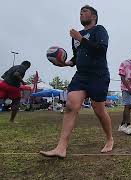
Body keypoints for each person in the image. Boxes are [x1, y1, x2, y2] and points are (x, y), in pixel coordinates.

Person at [40, 5, 113, 158]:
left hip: (99, 75)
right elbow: (76, 56)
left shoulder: (99, 30)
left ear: (93, 16)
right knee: (70, 105)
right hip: (81, 76)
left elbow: (101, 49)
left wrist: (80, 39)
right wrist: (66, 63)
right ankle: (61, 147)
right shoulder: (77, 35)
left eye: (84, 12)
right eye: (79, 13)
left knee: (99, 110)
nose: (81, 14)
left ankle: (109, 139)